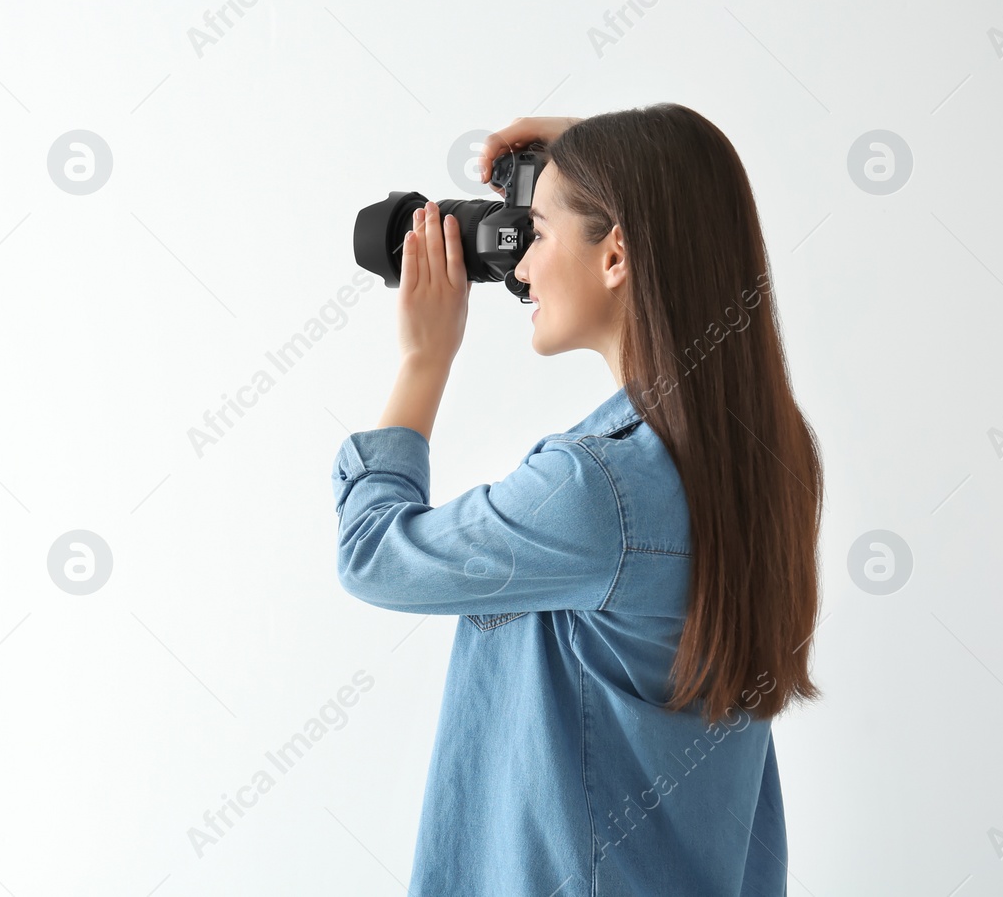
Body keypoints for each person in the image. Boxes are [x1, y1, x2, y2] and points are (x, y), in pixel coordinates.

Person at [329, 105, 822, 896]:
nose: (519, 267)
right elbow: (690, 212)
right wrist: (601, 159)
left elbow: (372, 554)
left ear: (617, 252)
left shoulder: (597, 491)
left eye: (540, 234)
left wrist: (424, 359)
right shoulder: (772, 452)